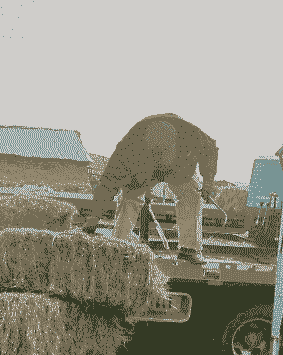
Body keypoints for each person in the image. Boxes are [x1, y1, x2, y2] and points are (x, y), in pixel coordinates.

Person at [83, 113, 219, 265]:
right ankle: (119, 246)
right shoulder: (128, 149)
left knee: (191, 195)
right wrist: (94, 217)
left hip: (180, 169)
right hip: (145, 171)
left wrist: (208, 182)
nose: (161, 162)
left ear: (175, 145)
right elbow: (108, 182)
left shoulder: (189, 134)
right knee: (130, 198)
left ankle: (189, 249)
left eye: (164, 155)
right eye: (157, 156)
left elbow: (210, 149)